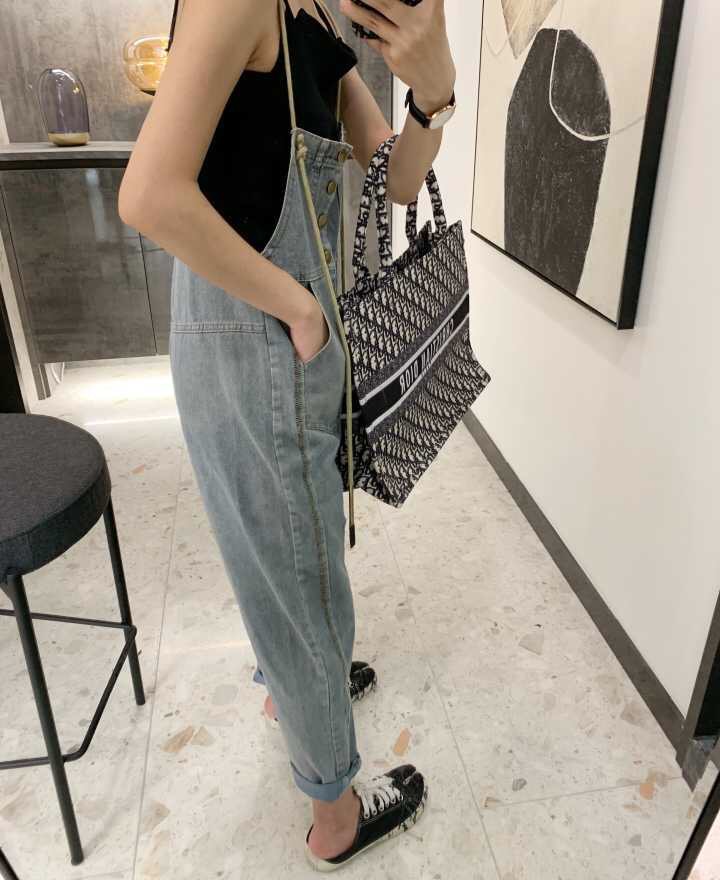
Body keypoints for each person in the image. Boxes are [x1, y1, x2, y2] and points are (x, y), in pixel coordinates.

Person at [118, 0, 457, 868]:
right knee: (301, 573)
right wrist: (301, 308)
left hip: (270, 337)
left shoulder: (313, 19)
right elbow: (150, 195)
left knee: (290, 553)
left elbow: (396, 179)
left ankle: (298, 691)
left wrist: (435, 95)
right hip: (262, 334)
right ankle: (335, 815)